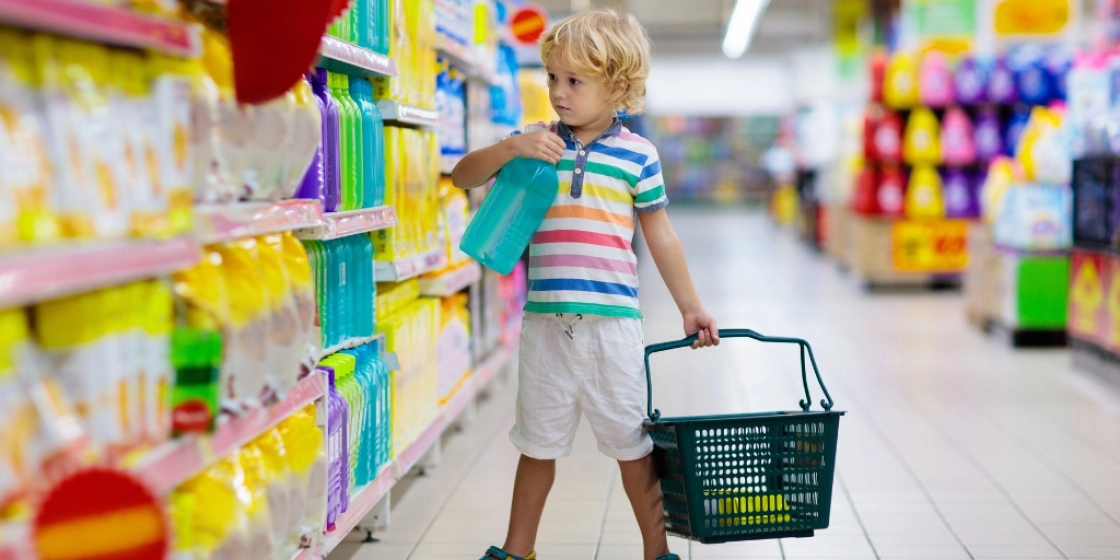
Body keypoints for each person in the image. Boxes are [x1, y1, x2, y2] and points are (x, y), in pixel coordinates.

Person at [451, 8, 718, 560]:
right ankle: (517, 550)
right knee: (536, 444)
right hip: (545, 323)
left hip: (613, 327)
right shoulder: (533, 141)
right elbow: (462, 176)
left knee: (632, 447)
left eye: (574, 80)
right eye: (552, 77)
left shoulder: (637, 156)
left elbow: (661, 235)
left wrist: (691, 306)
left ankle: (656, 551)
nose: (558, 92)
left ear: (617, 86)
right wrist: (510, 149)